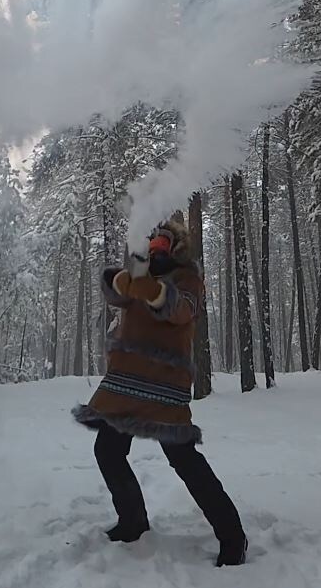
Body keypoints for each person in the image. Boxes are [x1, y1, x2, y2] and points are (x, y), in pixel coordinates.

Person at [72, 218, 248, 567]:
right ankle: (133, 521)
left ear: (177, 245)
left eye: (163, 239)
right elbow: (117, 294)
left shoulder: (188, 278)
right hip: (125, 378)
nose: (157, 244)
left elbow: (181, 310)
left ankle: (233, 536)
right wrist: (123, 277)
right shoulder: (142, 269)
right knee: (108, 449)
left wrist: (153, 289)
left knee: (183, 459)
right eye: (153, 238)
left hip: (163, 381)